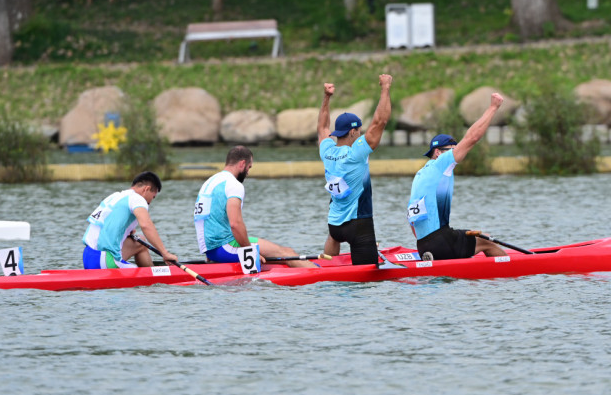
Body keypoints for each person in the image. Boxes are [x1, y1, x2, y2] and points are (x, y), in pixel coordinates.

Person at [406, 92, 508, 261]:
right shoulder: (441, 163)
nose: (457, 154)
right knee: (487, 242)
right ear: (438, 153)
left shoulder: (420, 176)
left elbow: (412, 221)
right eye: (452, 150)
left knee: (476, 237)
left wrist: (429, 244)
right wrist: (493, 107)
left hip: (423, 246)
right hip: (441, 241)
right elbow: (472, 137)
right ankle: (513, 271)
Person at [194, 146, 315, 268]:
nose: (248, 172)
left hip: (210, 250)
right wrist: (249, 252)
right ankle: (319, 275)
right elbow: (235, 224)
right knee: (287, 253)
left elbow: (202, 220)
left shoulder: (210, 182)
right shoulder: (233, 185)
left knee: (274, 259)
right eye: (249, 167)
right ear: (242, 164)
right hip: (225, 247)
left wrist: (210, 254)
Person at [317, 75, 393, 265]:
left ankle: (327, 268)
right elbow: (380, 122)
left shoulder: (327, 151)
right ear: (352, 132)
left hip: (334, 225)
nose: (360, 134)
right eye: (359, 130)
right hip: (358, 225)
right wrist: (385, 88)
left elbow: (323, 126)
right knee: (369, 276)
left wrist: (326, 97)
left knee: (332, 248)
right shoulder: (356, 153)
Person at [82, 171, 178, 269]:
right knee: (140, 275)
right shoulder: (137, 198)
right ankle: (154, 276)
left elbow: (106, 221)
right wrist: (165, 253)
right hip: (103, 261)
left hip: (88, 257)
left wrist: (125, 231)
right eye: (153, 197)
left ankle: (152, 271)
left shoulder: (115, 196)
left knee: (140, 242)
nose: (150, 201)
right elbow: (146, 225)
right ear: (147, 189)